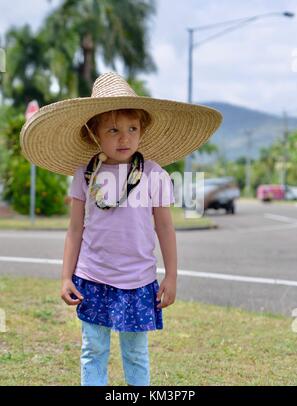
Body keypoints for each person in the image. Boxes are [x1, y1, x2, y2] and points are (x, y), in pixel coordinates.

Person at [20, 71, 222, 386]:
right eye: (113, 129)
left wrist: (171, 275)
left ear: (142, 131)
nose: (124, 137)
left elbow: (165, 229)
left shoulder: (154, 175)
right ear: (94, 134)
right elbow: (75, 230)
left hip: (138, 280)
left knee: (136, 353)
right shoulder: (84, 175)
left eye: (132, 128)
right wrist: (64, 277)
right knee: (93, 350)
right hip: (92, 277)